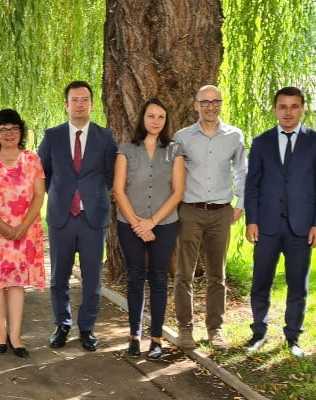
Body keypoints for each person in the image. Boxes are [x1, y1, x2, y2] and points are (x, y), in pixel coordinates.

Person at [244, 86, 316, 357]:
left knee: (297, 284)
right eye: (283, 106)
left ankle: (293, 337)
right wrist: (251, 220)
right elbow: (252, 186)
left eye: (294, 106)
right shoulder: (261, 142)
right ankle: (258, 331)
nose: (288, 112)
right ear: (275, 110)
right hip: (267, 225)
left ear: (302, 108)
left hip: (301, 227)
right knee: (261, 281)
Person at [38, 81, 117, 352]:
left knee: (92, 278)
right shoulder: (52, 136)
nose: (80, 104)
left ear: (91, 105)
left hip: (92, 219)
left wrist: (91, 195)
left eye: (84, 99)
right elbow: (43, 173)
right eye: (75, 100)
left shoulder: (105, 137)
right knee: (59, 277)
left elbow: (111, 175)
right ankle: (62, 324)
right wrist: (62, 195)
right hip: (61, 217)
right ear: (66, 105)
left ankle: (87, 328)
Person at [173, 85, 247, 350]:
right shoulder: (182, 137)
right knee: (184, 273)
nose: (210, 106)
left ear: (221, 104)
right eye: (205, 102)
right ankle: (184, 329)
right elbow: (173, 173)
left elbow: (242, 171)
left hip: (221, 212)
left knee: (217, 275)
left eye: (215, 101)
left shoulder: (234, 135)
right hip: (190, 211)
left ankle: (215, 329)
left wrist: (240, 204)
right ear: (196, 105)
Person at [113, 98, 184, 359]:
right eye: (151, 116)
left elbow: (178, 192)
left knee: (159, 279)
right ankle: (134, 336)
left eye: (161, 117)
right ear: (143, 118)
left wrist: (151, 223)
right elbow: (118, 191)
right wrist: (138, 225)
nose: (156, 121)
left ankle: (156, 339)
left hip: (164, 225)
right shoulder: (126, 149)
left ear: (166, 121)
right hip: (129, 224)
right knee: (135, 278)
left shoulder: (174, 151)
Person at [0, 109, 46, 359]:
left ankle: (16, 336)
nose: (9, 133)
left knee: (16, 283)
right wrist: (2, 227)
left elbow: (39, 195)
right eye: (3, 129)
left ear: (21, 132)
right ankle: (1, 334)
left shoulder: (32, 159)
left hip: (25, 230)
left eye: (14, 128)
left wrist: (23, 226)